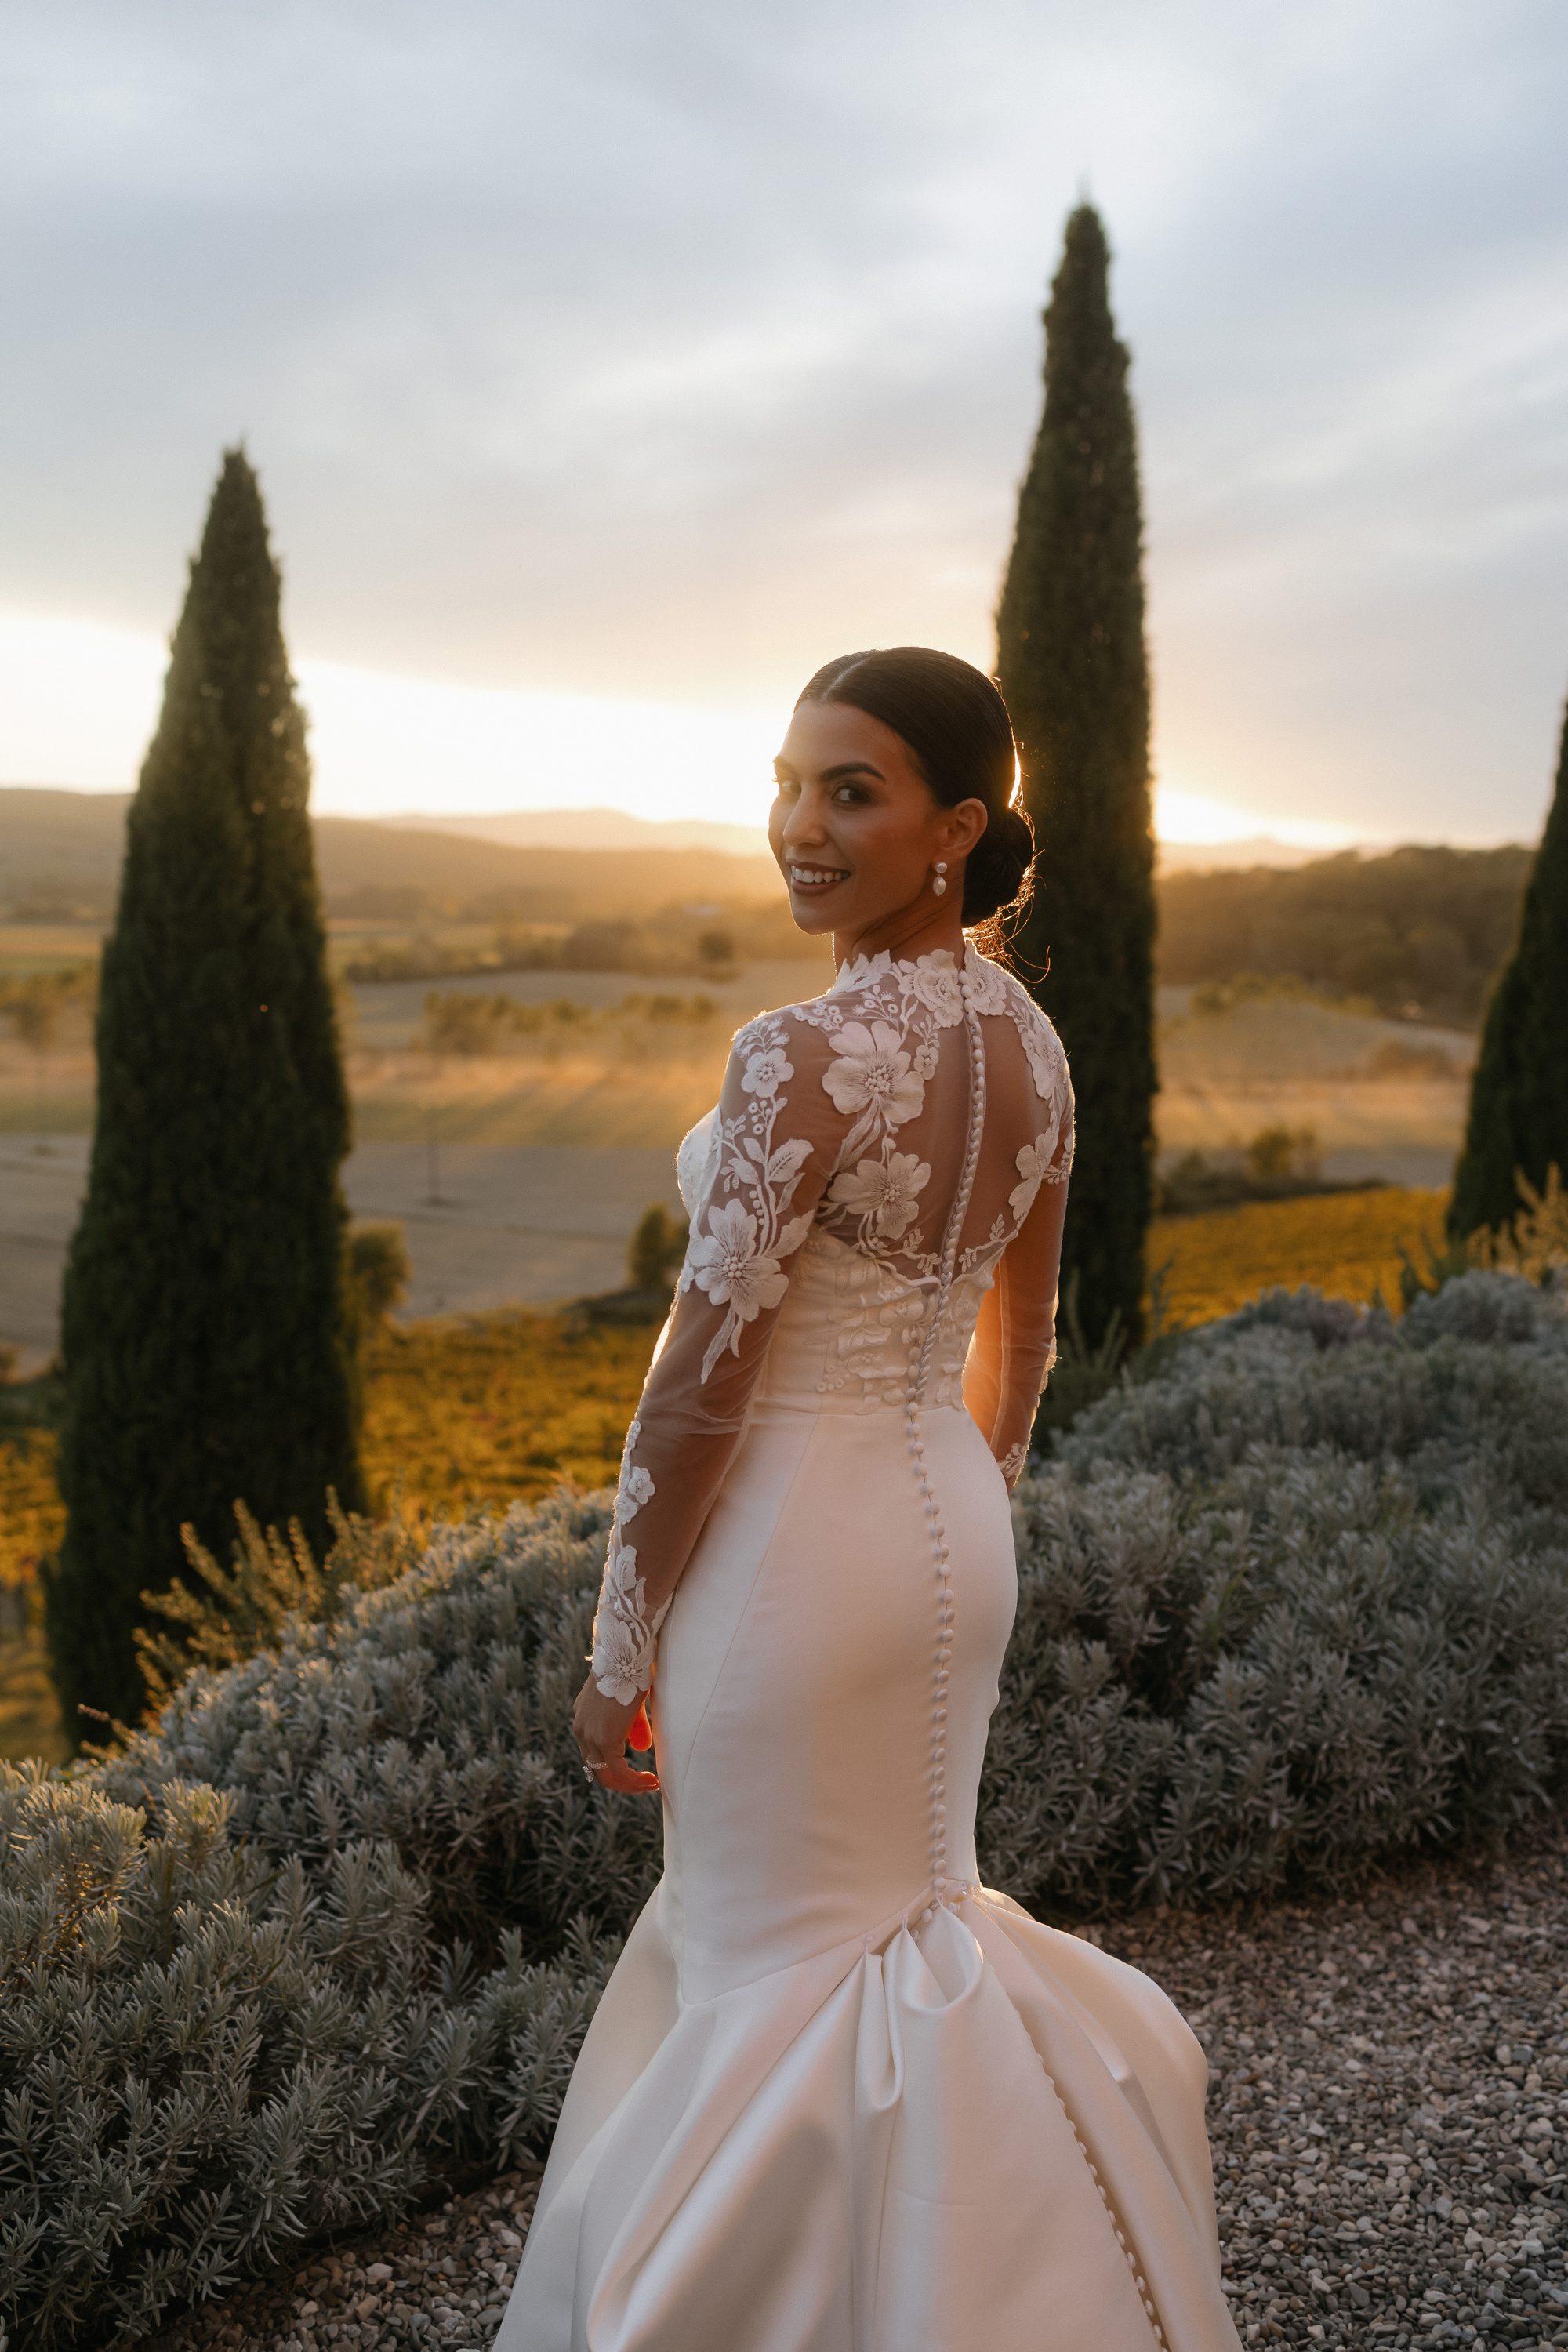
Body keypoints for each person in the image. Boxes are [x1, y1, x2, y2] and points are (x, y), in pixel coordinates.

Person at [498, 648, 1240, 2351]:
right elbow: (1026, 1338)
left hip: (787, 1557)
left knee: (762, 1963)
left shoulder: (800, 1052)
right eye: (788, 783)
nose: (800, 828)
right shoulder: (1036, 1045)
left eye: (853, 792)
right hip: (939, 1540)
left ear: (954, 828)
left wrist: (621, 1649)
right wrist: (959, 1510)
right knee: (902, 1924)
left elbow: (697, 1391)